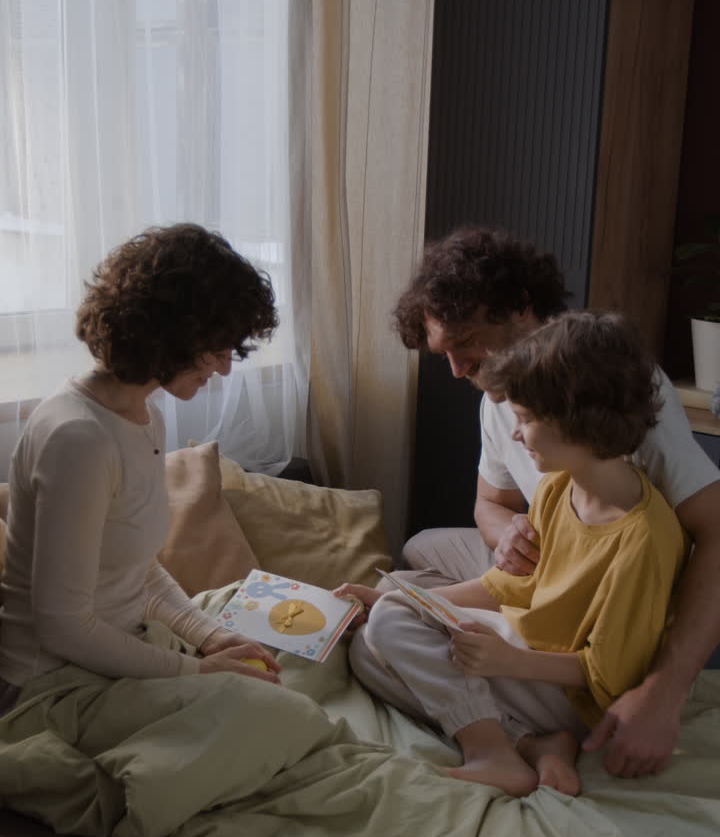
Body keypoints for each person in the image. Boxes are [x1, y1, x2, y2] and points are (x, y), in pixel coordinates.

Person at [386, 226, 720, 779]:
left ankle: (510, 730)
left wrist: (664, 692)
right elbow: (488, 504)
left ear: (518, 308)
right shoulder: (502, 397)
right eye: (445, 353)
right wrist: (507, 533)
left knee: (401, 627)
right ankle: (519, 721)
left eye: (465, 341)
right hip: (555, 559)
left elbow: (714, 532)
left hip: (609, 592)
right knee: (420, 550)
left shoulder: (612, 389)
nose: (458, 369)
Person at [338, 312, 689, 797]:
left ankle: (494, 754)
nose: (517, 435)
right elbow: (507, 586)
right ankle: (536, 744)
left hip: (570, 694)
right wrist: (403, 600)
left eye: (525, 419)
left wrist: (506, 661)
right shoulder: (554, 492)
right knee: (373, 645)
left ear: (574, 420)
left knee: (392, 638)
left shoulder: (645, 538)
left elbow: (609, 674)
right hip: (523, 658)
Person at [0, 222, 286, 714]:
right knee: (275, 716)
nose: (224, 369)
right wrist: (196, 670)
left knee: (282, 662)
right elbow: (62, 625)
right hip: (53, 686)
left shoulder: (144, 416)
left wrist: (212, 639)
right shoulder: (79, 438)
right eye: (218, 350)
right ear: (173, 336)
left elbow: (137, 574)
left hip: (119, 650)